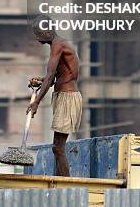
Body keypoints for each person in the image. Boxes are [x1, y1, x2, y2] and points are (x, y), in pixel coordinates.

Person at [27, 17, 82, 176]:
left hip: (68, 97)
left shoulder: (59, 45)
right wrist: (41, 81)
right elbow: (57, 75)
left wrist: (36, 102)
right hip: (63, 96)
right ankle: (61, 182)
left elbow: (51, 76)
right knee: (57, 148)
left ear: (48, 31)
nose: (37, 39)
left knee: (58, 148)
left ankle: (65, 185)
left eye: (38, 34)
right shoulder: (59, 45)